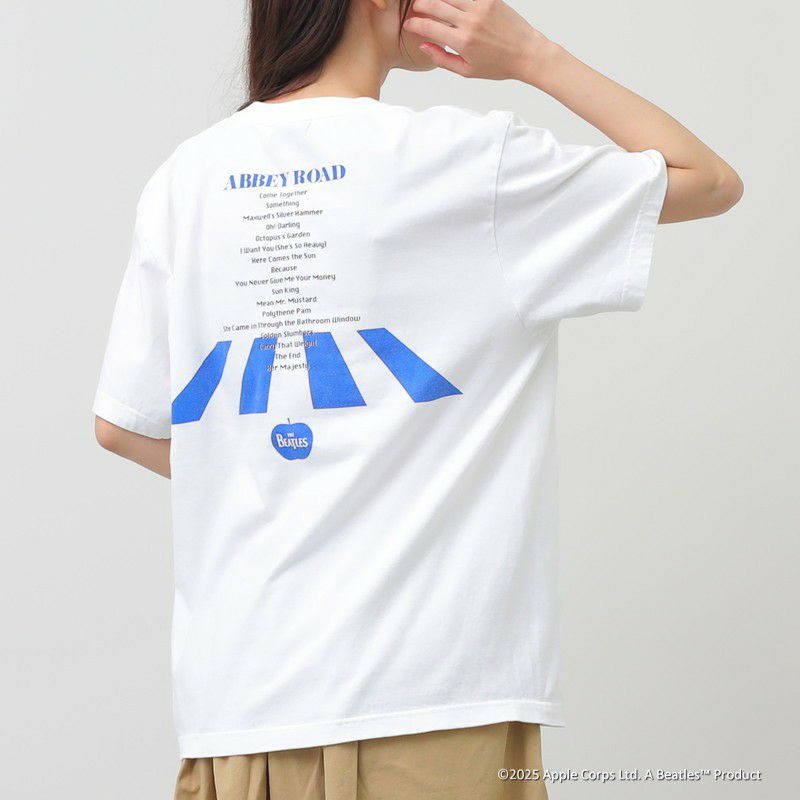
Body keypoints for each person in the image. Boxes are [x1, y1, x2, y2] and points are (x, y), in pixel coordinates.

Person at [93, 1, 743, 798]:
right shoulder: (470, 164)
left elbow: (121, 425)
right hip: (429, 701)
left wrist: (286, 472)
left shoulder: (185, 179)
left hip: (237, 709)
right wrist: (532, 54)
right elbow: (709, 179)